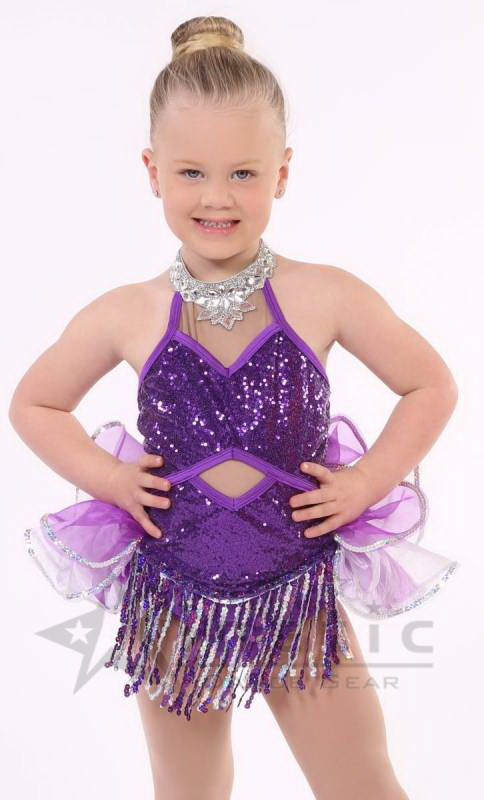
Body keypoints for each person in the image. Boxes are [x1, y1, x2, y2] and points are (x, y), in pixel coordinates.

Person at [9, 14, 460, 800]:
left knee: (360, 779)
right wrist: (109, 479)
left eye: (243, 174)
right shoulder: (127, 312)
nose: (217, 197)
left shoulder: (325, 295)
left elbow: (431, 384)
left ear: (282, 173)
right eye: (191, 173)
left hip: (298, 590)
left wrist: (367, 482)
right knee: (188, 788)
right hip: (173, 594)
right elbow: (35, 403)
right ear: (152, 171)